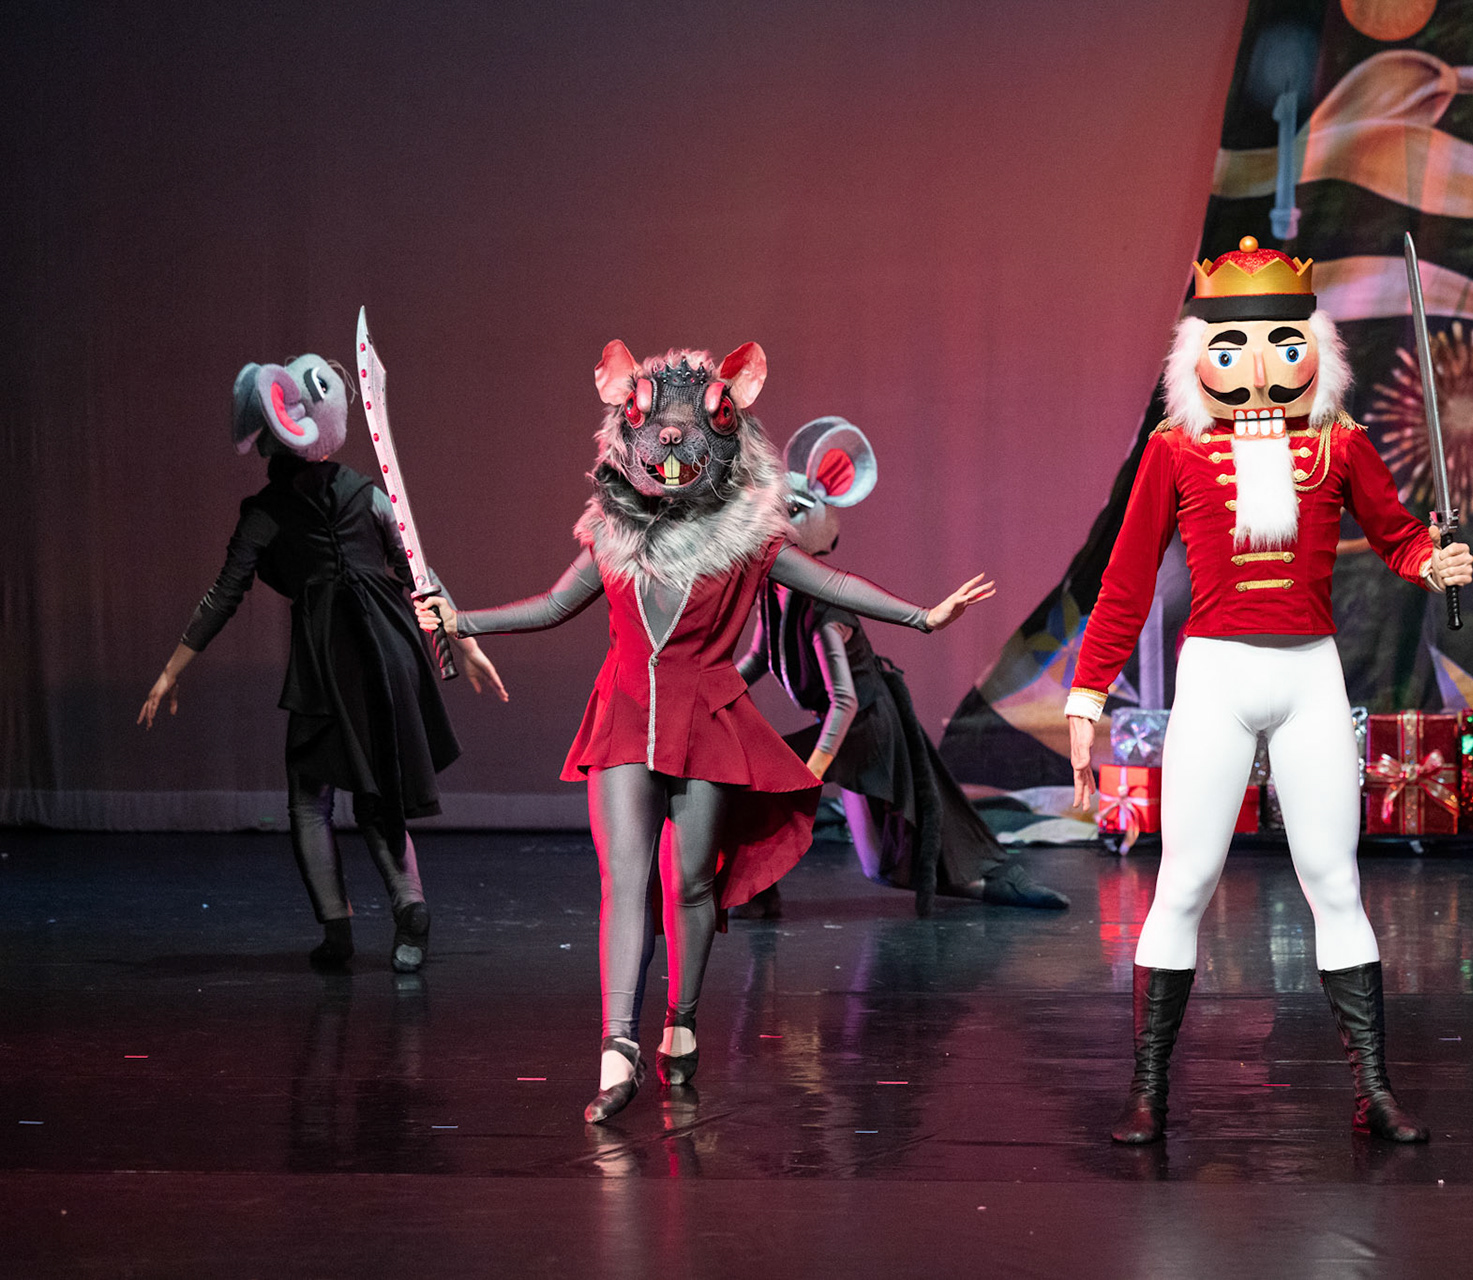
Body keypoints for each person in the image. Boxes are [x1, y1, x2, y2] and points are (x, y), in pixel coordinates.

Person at [416, 341, 993, 1124]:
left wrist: (923, 617)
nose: (672, 447)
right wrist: (459, 621)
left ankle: (681, 1023)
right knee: (625, 882)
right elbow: (552, 606)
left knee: (689, 883)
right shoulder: (612, 535)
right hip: (624, 717)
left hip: (707, 722)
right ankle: (616, 1050)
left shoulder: (749, 542)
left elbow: (830, 581)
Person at [1063, 238, 1473, 1145]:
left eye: (1284, 346)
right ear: (1198, 358)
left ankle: (1374, 1091)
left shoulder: (1339, 444)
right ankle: (1148, 1092)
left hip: (1308, 675)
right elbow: (1125, 583)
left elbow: (1397, 533)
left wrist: (1432, 560)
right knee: (1184, 882)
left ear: (1314, 350)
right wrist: (1086, 696)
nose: (1259, 370)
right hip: (1215, 677)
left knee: (1334, 880)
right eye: (1234, 349)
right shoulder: (1175, 451)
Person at [139, 354, 508, 974]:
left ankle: (338, 928)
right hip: (391, 650)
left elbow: (224, 593)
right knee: (379, 788)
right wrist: (465, 643)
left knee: (311, 796)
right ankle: (409, 905)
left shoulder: (266, 512)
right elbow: (417, 572)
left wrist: (173, 668)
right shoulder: (367, 494)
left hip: (328, 658)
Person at [733, 417, 1068, 920]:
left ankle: (990, 883)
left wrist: (813, 769)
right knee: (880, 863)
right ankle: (759, 894)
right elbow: (761, 657)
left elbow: (845, 701)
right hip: (850, 724)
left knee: (776, 786)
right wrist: (711, 691)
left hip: (867, 726)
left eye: (794, 512)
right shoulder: (774, 589)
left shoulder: (825, 607)